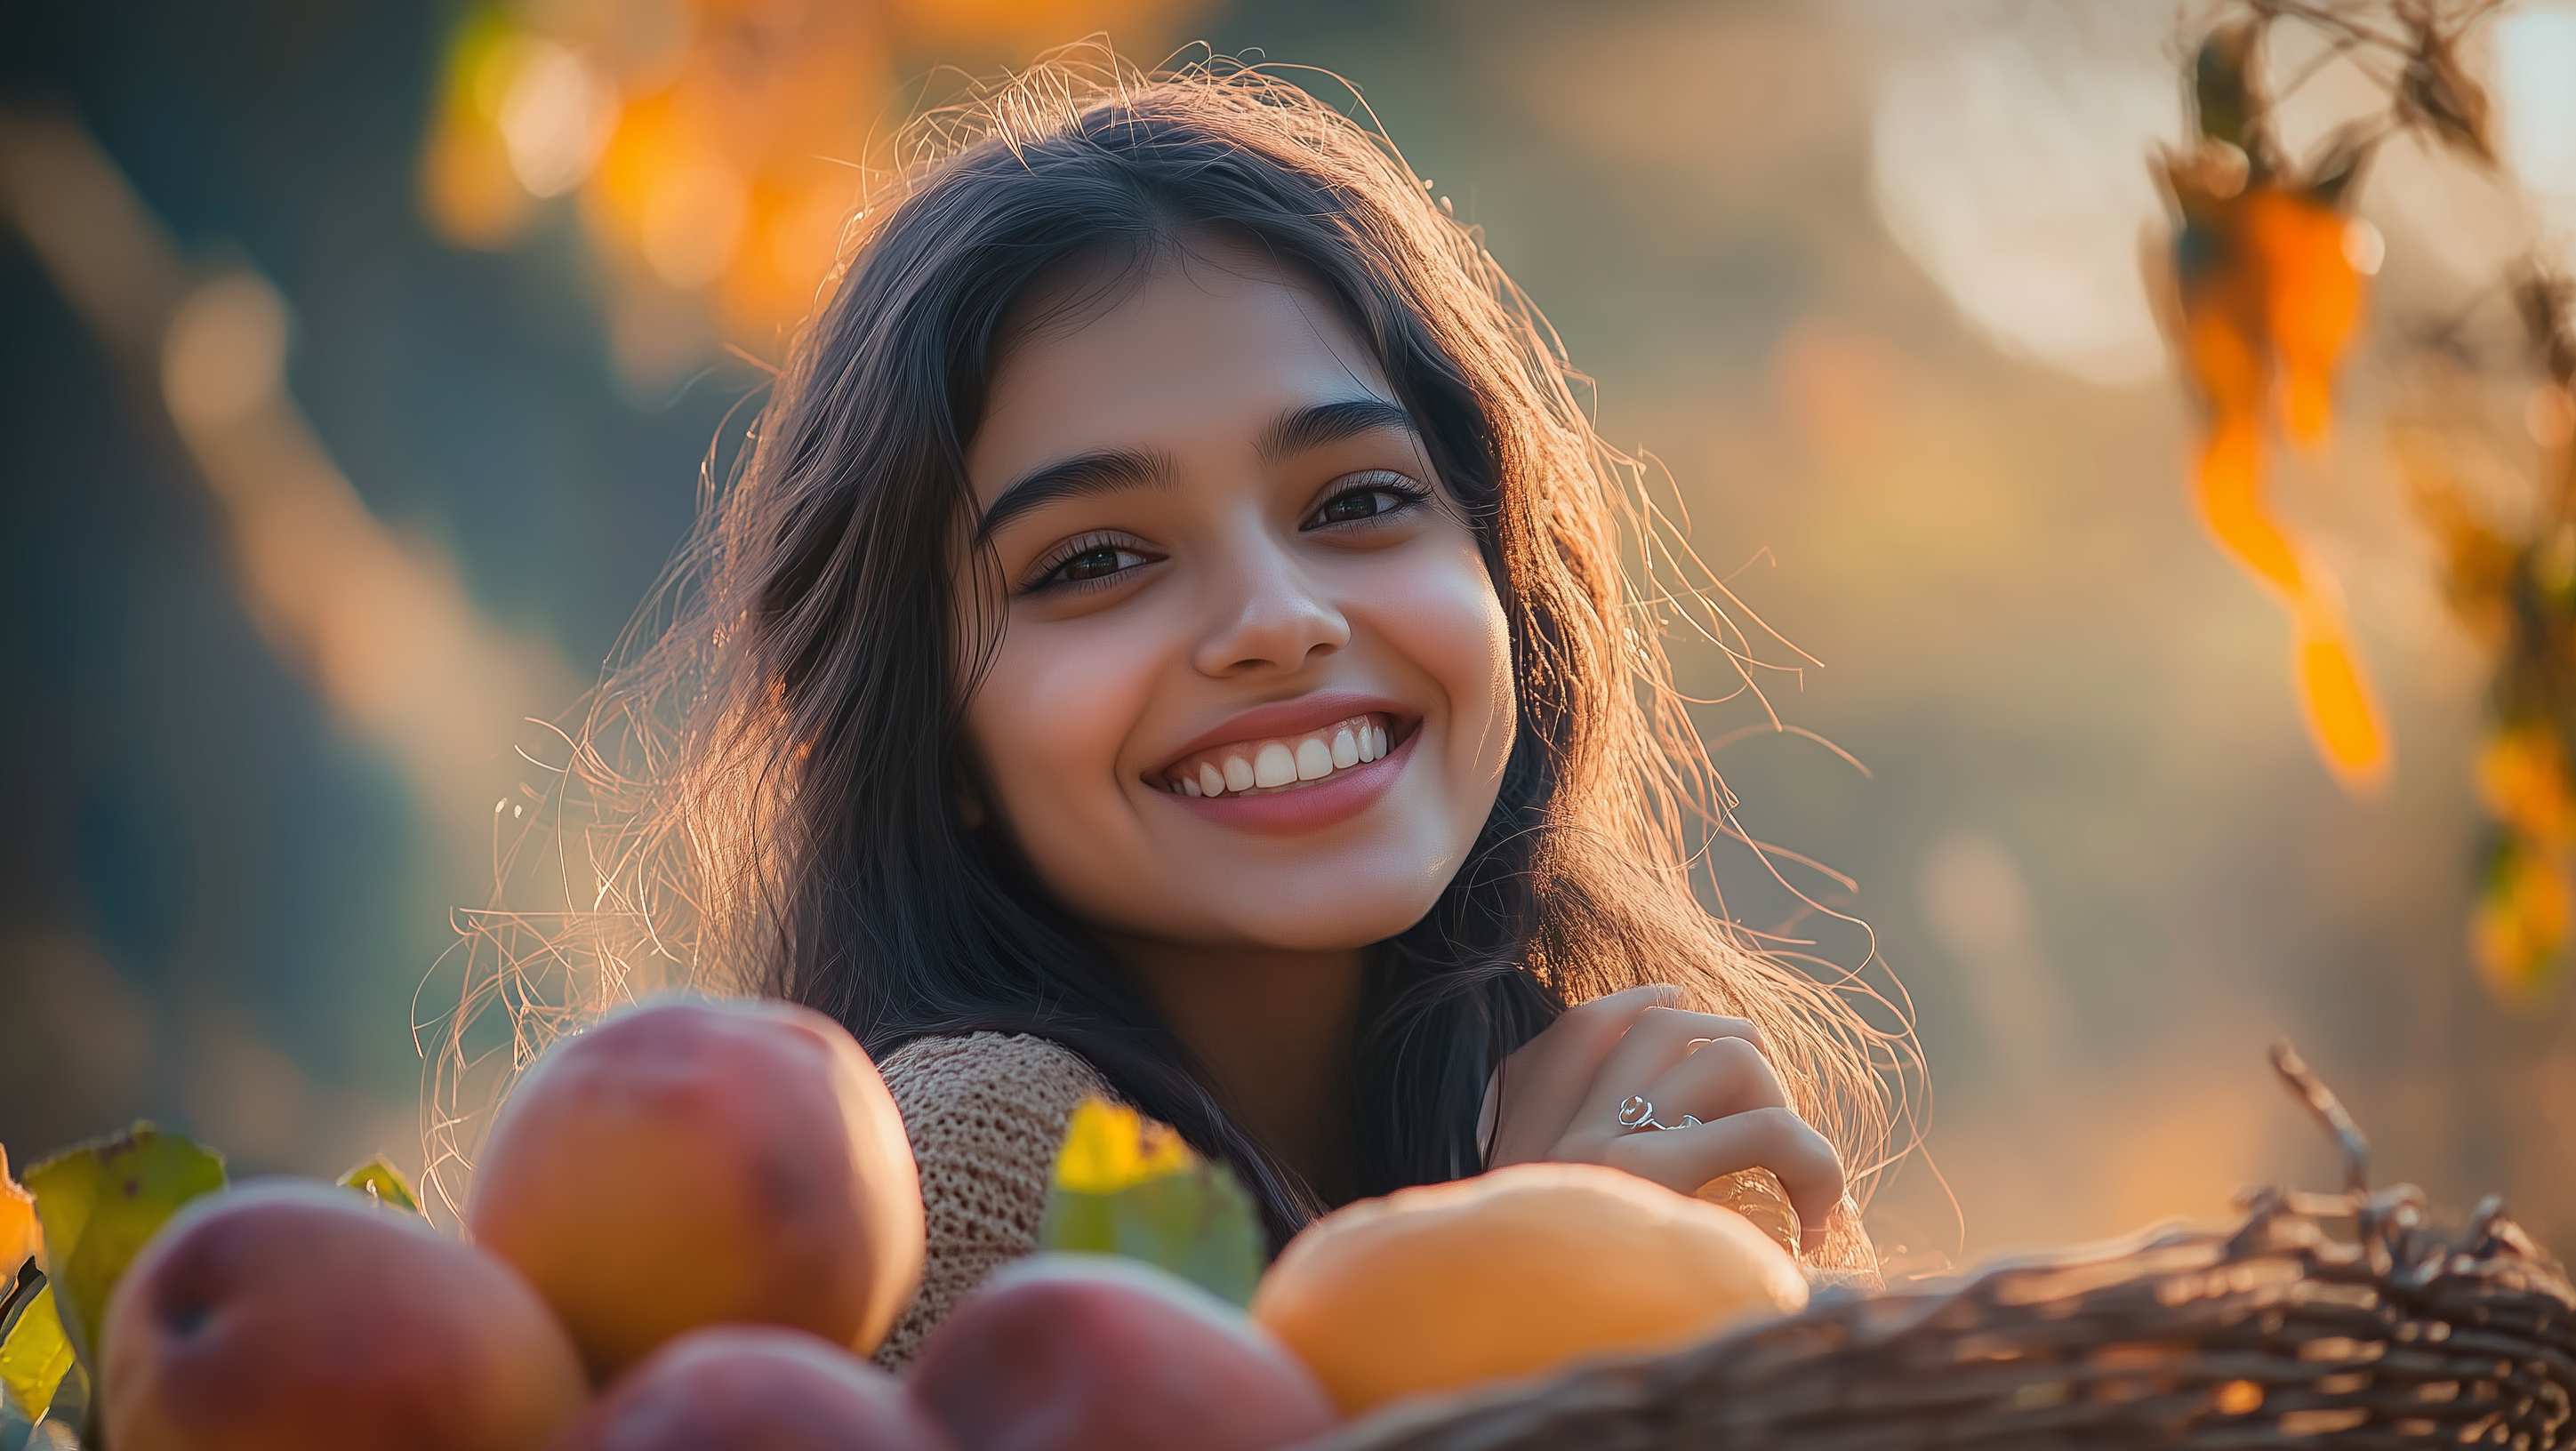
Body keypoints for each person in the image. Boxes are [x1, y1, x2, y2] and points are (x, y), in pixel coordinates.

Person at [557, 54, 1906, 1365]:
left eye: (1361, 500)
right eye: (1094, 562)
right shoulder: (971, 1168)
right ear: (932, 730)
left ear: (1504, 573)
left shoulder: (1575, 1104)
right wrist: (1532, 1298)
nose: (1277, 618)